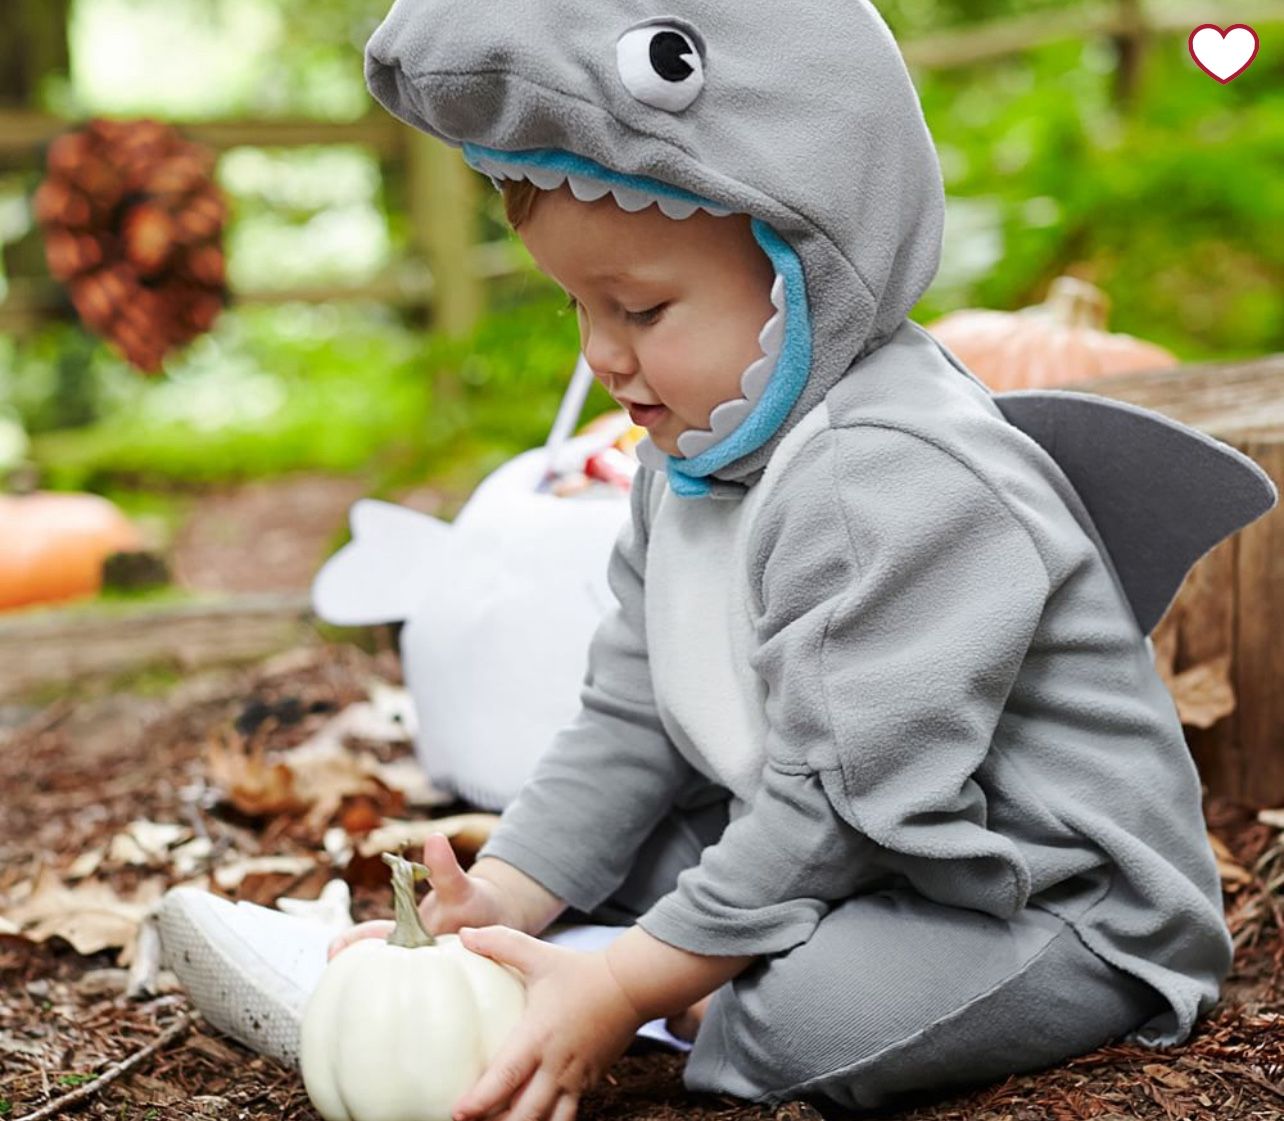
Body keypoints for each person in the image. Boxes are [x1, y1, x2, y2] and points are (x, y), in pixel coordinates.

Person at [160, 0, 1279, 1118]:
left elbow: (839, 803)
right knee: (635, 849)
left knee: (800, 1022)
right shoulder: (691, 455)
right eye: (578, 307)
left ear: (802, 279)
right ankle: (498, 974)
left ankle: (623, 998)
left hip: (1044, 897)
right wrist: (504, 891)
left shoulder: (891, 473)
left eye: (641, 307)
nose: (602, 354)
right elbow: (629, 718)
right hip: (875, 851)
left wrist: (634, 977)